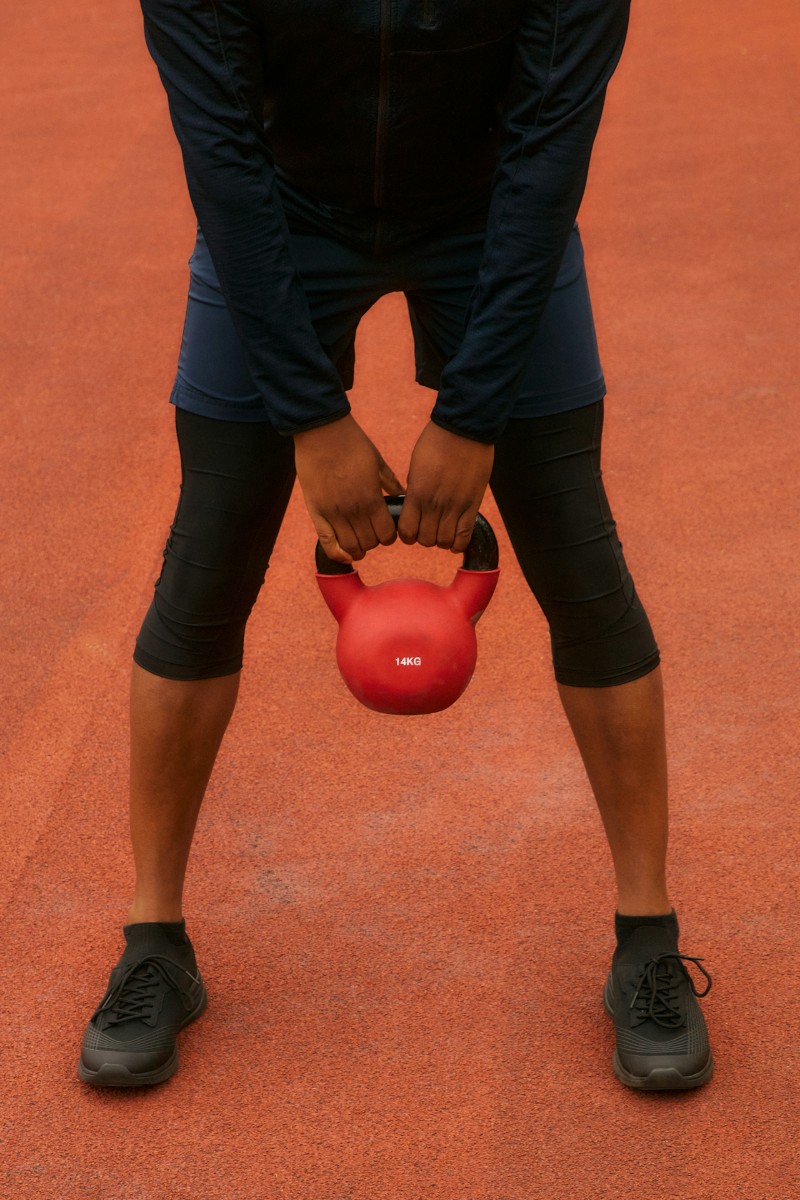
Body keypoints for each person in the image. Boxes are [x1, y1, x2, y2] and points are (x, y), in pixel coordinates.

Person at [78, 0, 713, 1092]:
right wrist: (311, 420)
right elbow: (222, 155)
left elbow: (545, 149)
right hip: (280, 206)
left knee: (578, 558)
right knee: (203, 568)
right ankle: (153, 947)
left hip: (485, 218)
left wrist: (470, 417)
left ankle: (646, 942)